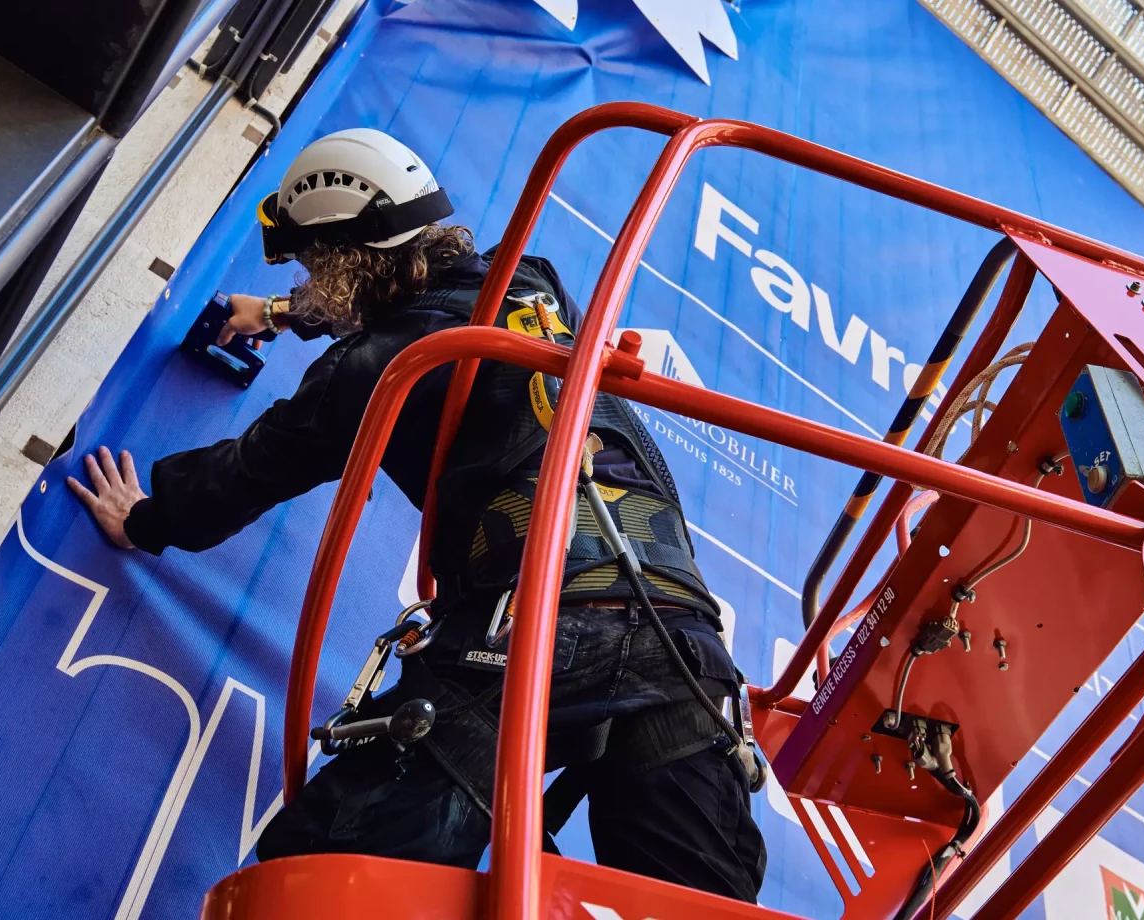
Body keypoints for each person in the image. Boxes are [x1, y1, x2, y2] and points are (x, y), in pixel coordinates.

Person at [66, 128, 765, 901]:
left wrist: (147, 519)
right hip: (685, 641)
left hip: (534, 624)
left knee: (333, 880)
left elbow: (253, 468)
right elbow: (433, 302)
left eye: (312, 266)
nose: (310, 279)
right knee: (702, 903)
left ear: (342, 263)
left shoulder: (374, 373)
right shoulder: (529, 279)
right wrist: (278, 311)